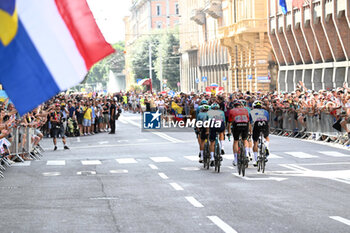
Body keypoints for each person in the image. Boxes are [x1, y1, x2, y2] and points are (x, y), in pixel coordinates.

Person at [227, 100, 250, 166]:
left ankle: (236, 159)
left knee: (236, 141)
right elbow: (248, 121)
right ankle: (246, 154)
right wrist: (249, 131)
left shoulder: (232, 110)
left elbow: (229, 122)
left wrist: (229, 132)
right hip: (245, 124)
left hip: (236, 125)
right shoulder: (245, 110)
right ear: (240, 106)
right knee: (245, 139)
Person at [250, 100, 270, 166]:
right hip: (265, 124)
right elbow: (267, 119)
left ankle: (255, 160)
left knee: (255, 142)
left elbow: (250, 122)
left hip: (257, 125)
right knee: (266, 137)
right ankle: (266, 146)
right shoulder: (266, 111)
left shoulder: (252, 112)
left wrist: (250, 131)